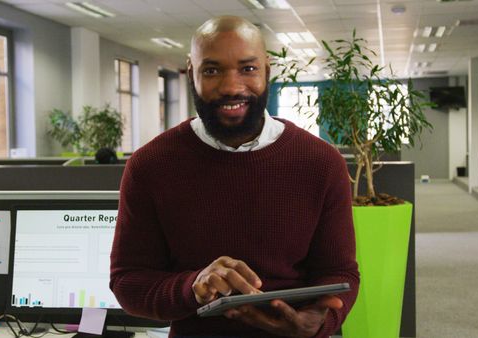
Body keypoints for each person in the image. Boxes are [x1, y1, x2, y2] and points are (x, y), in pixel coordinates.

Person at [110, 15, 359, 337]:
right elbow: (128, 281)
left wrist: (318, 321)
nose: (231, 87)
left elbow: (339, 271)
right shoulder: (151, 165)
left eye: (248, 68)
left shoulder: (320, 162)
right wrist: (193, 286)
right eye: (212, 70)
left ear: (267, 69)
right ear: (191, 71)